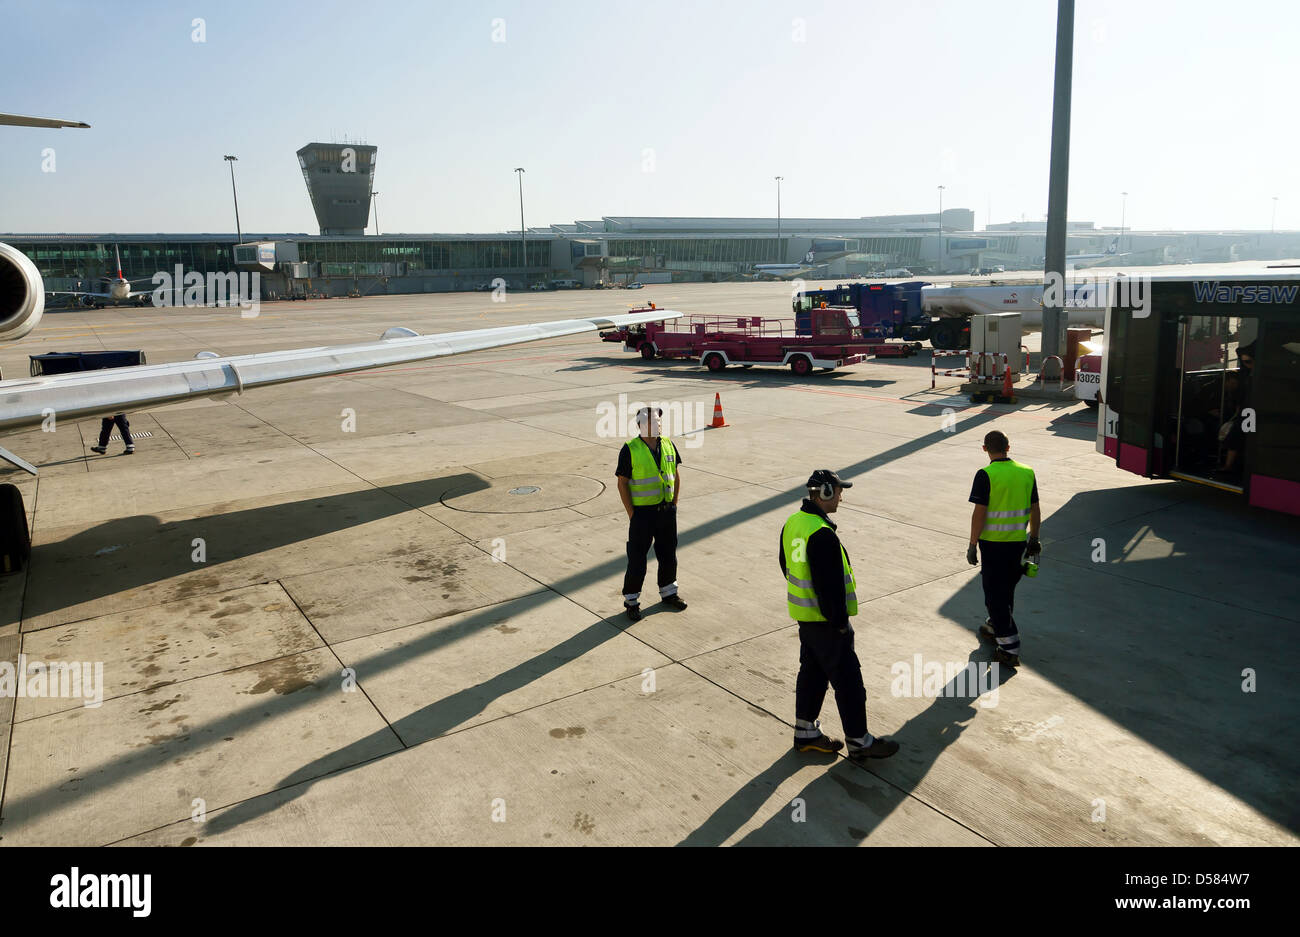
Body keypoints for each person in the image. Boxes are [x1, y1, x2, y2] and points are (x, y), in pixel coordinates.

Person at [780, 469, 899, 761]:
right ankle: (860, 740)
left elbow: (785, 565)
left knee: (812, 674)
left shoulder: (794, 522)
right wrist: (840, 623)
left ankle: (805, 732)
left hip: (806, 619)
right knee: (849, 682)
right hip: (827, 624)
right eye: (838, 491)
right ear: (825, 493)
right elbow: (829, 588)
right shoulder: (821, 535)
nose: (842, 497)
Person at [966, 431, 1039, 668]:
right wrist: (1034, 538)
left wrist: (972, 544)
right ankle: (995, 626)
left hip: (993, 545)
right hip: (1017, 542)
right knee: (1006, 590)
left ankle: (1009, 647)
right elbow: (1035, 508)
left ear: (985, 449)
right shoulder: (1027, 472)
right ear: (1008, 447)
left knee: (994, 595)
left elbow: (980, 513)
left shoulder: (986, 474)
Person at [615, 406, 687, 622]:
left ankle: (668, 593)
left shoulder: (668, 444)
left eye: (658, 421)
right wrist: (632, 514)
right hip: (642, 515)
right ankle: (631, 601)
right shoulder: (630, 449)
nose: (656, 425)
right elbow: (622, 484)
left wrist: (673, 504)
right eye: (650, 422)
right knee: (637, 560)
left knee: (668, 554)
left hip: (666, 511)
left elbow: (675, 474)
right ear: (640, 426)